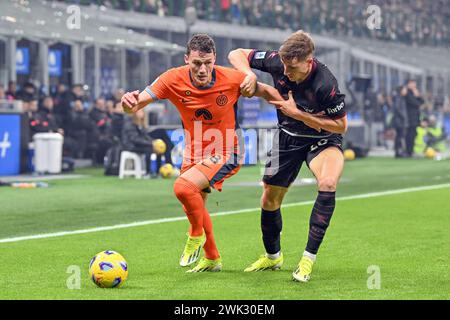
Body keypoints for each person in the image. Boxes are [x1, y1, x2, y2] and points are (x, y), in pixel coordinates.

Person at [121, 33, 282, 273]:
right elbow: (134, 104)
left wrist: (292, 109)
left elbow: (268, 93)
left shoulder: (232, 78)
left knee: (183, 188)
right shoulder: (171, 79)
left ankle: (195, 236)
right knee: (196, 204)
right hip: (194, 153)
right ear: (187, 59)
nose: (203, 69)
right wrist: (127, 102)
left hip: (228, 149)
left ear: (214, 59)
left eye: (208, 63)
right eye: (197, 63)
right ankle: (212, 258)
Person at [228, 30, 347, 282]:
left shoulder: (325, 83)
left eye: (292, 67)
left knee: (327, 183)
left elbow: (340, 125)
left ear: (309, 60)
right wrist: (249, 74)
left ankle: (307, 259)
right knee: (269, 198)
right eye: (283, 65)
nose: (286, 71)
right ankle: (273, 258)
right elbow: (235, 54)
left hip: (321, 139)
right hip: (287, 137)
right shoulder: (277, 61)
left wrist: (299, 114)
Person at [404, 79, 424, 157]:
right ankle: (408, 152)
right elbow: (416, 103)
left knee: (413, 134)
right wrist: (417, 98)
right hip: (409, 117)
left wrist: (418, 96)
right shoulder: (407, 93)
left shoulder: (414, 93)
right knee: (409, 135)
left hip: (415, 117)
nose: (414, 85)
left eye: (414, 84)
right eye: (412, 83)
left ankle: (410, 151)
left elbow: (422, 102)